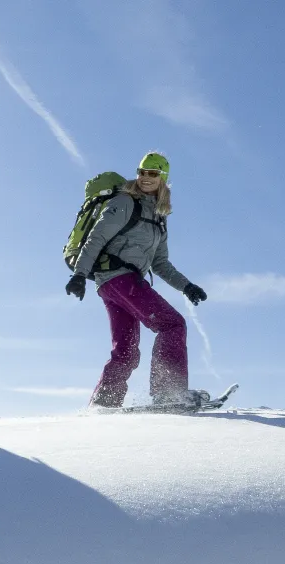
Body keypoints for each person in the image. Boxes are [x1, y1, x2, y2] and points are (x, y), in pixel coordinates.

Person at [64, 152, 211, 408]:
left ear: (163, 177)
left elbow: (160, 263)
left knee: (127, 351)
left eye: (152, 173)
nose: (145, 177)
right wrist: (78, 274)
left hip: (117, 285)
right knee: (172, 325)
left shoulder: (159, 217)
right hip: (119, 279)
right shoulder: (124, 202)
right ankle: (168, 393)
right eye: (141, 172)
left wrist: (187, 286)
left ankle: (104, 403)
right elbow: (96, 238)